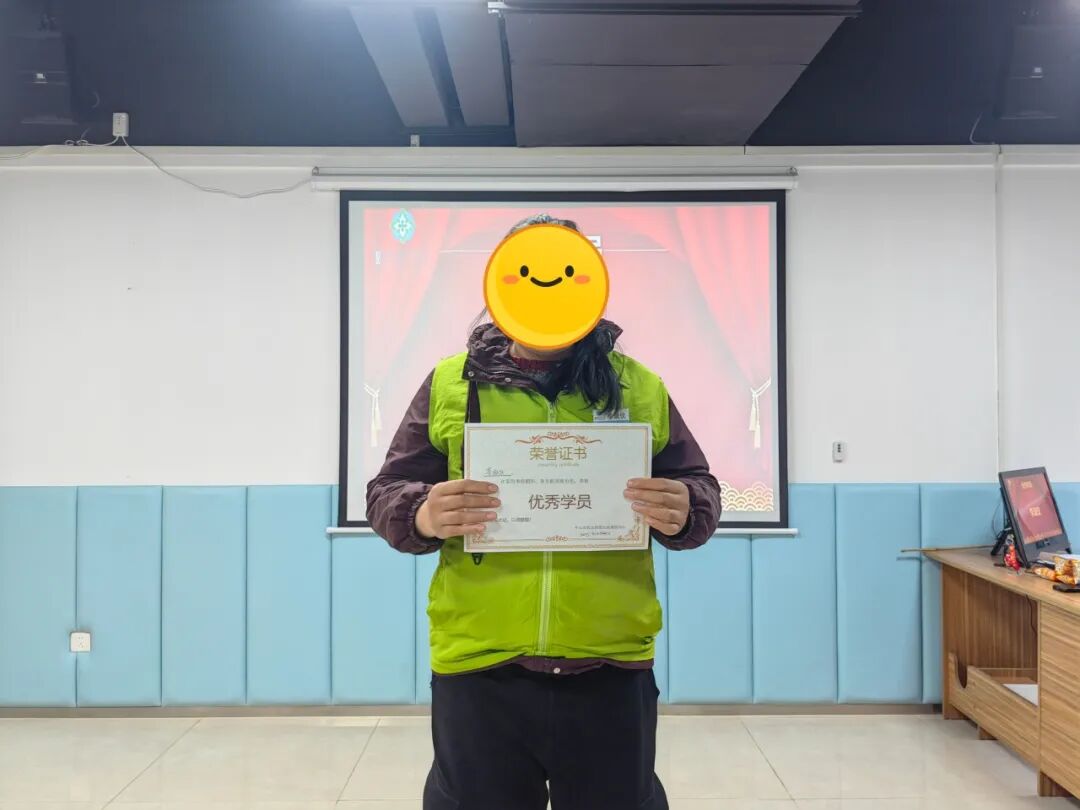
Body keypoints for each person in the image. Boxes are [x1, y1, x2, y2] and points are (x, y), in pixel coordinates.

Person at [366, 213, 722, 810]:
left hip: (610, 664)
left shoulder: (639, 386)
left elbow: (699, 488)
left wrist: (687, 507)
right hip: (480, 666)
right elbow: (387, 492)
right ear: (498, 286)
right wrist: (422, 514)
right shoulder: (452, 384)